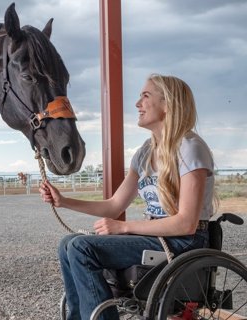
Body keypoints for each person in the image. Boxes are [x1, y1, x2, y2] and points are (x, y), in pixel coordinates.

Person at [39, 74, 215, 320]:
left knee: (82, 247)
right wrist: (64, 201)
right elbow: (114, 205)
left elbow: (186, 223)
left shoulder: (190, 148)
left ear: (168, 104)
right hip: (157, 235)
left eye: (145, 96)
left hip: (184, 241)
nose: (137, 104)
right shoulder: (145, 152)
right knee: (67, 243)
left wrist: (124, 226)